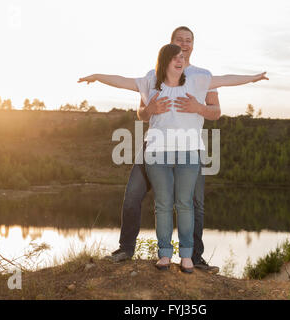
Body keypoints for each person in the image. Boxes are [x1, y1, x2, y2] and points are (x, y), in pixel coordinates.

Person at [78, 43, 268, 272]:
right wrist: (98, 76)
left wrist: (252, 78)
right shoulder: (149, 82)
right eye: (176, 57)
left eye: (183, 56)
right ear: (165, 60)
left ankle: (187, 257)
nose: (181, 60)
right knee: (163, 205)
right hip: (157, 152)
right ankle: (164, 254)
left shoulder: (197, 80)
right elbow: (122, 81)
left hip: (188, 152)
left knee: (185, 204)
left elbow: (226, 79)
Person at [107, 26, 222, 273]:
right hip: (155, 145)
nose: (184, 44)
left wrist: (197, 107)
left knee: (194, 203)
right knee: (132, 196)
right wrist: (150, 111)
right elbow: (141, 112)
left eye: (188, 40)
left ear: (193, 45)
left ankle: (195, 258)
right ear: (170, 44)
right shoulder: (154, 75)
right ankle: (126, 249)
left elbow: (215, 112)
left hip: (188, 147)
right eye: (179, 40)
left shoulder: (202, 77)